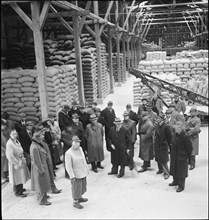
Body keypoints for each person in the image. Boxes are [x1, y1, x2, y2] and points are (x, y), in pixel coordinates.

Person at [30, 124, 62, 206]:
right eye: (41, 138)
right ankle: (42, 200)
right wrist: (41, 170)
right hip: (40, 168)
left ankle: (44, 197)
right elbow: (37, 161)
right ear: (37, 138)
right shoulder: (34, 147)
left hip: (44, 165)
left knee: (43, 183)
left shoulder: (37, 144)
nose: (42, 139)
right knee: (41, 184)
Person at [65, 135, 88, 209]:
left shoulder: (80, 149)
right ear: (72, 143)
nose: (78, 144)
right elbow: (68, 166)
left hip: (82, 171)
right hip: (75, 173)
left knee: (82, 186)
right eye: (76, 142)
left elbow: (84, 159)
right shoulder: (68, 153)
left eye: (78, 142)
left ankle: (80, 197)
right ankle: (75, 201)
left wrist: (86, 169)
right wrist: (71, 176)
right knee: (76, 188)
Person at [169, 121, 193, 193]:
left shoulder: (185, 136)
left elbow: (190, 148)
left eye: (176, 127)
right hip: (174, 155)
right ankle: (175, 181)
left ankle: (181, 185)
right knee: (174, 168)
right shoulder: (175, 134)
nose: (175, 128)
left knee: (181, 171)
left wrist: (188, 158)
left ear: (181, 127)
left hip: (182, 156)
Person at [5, 128, 30, 197]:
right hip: (15, 162)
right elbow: (10, 156)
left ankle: (20, 188)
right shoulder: (9, 144)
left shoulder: (16, 141)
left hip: (20, 159)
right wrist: (17, 162)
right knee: (16, 178)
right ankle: (17, 192)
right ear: (10, 135)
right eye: (13, 134)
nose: (15, 135)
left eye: (16, 133)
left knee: (20, 176)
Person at [154, 112, 172, 179]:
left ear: (162, 119)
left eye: (158, 118)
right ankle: (160, 169)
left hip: (163, 145)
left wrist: (169, 146)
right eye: (157, 118)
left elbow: (169, 137)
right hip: (157, 144)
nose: (157, 119)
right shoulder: (157, 125)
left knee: (164, 160)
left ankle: (166, 172)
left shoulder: (166, 126)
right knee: (158, 158)